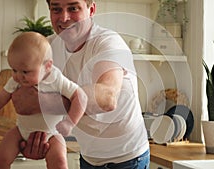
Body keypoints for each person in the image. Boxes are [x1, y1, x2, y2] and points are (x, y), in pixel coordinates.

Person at [13, 0, 150, 168]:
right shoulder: (47, 49)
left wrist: (46, 103)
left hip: (128, 157)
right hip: (88, 156)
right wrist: (32, 137)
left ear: (91, 9)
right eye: (56, 9)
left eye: (73, 8)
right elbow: (22, 97)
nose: (64, 18)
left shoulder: (108, 42)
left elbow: (107, 97)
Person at [0, 32, 87, 169]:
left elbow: (80, 97)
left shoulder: (56, 79)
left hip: (52, 134)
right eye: (14, 70)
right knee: (1, 158)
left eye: (25, 72)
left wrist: (69, 123)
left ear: (47, 66)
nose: (18, 76)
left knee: (60, 161)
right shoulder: (16, 81)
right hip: (21, 131)